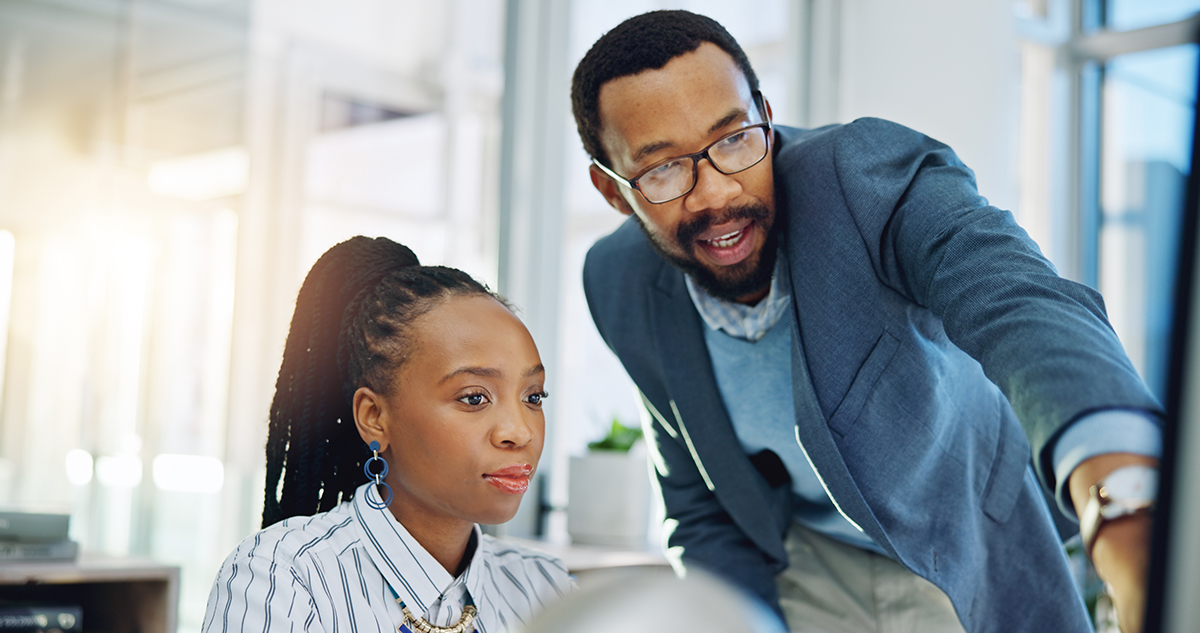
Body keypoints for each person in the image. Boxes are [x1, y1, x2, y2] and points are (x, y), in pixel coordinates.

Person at [573, 10, 1161, 633]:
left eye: (734, 138)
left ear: (764, 116)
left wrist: (1122, 495)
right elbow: (696, 501)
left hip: (965, 550)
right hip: (802, 574)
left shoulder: (860, 176)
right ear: (613, 191)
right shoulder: (617, 280)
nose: (716, 193)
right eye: (663, 169)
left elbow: (1019, 302)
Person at [202, 237, 572, 633]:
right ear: (375, 417)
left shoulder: (545, 587)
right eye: (474, 397)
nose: (519, 431)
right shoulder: (283, 579)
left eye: (533, 396)